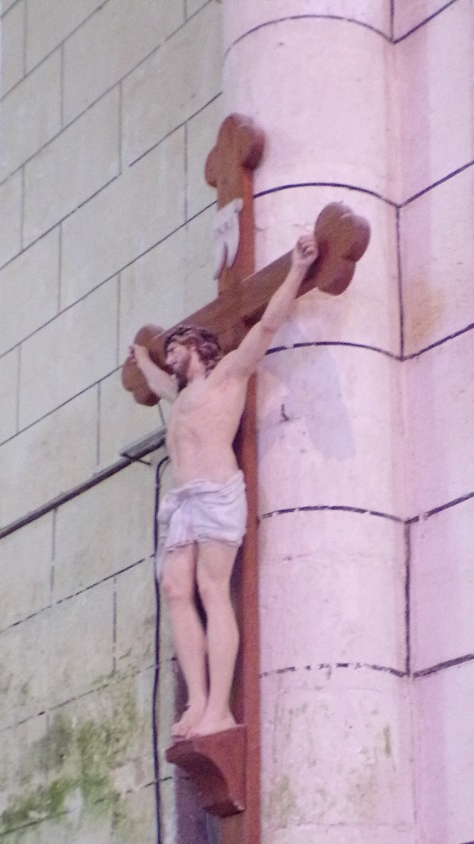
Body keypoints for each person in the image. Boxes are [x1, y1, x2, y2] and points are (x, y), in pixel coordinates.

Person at [132, 234, 319, 739]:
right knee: (175, 588)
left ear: (198, 348)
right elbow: (151, 379)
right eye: (167, 350)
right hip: (184, 504)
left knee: (213, 589)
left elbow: (268, 324)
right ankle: (196, 702)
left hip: (216, 493)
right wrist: (140, 353)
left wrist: (297, 270)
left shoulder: (229, 376)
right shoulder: (179, 393)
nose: (169, 354)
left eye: (176, 346)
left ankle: (219, 708)